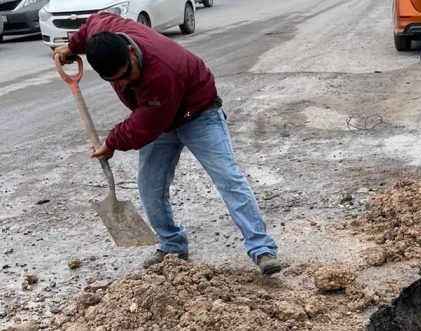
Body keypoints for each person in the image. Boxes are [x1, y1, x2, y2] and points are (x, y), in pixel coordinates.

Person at [54, 13, 283, 275]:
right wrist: (72, 47)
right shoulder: (105, 30)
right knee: (150, 185)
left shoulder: (162, 70)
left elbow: (144, 125)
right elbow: (92, 24)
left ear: (130, 52)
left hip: (198, 113)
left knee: (228, 178)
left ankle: (261, 249)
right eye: (115, 80)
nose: (125, 83)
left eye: (126, 74)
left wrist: (112, 142)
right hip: (158, 117)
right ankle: (172, 245)